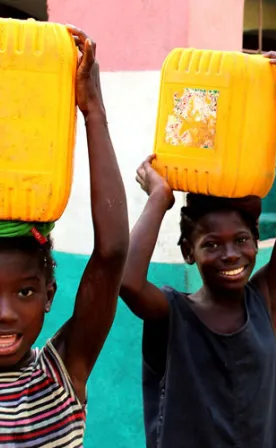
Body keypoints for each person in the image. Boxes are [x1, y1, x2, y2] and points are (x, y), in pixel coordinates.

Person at [119, 52, 276, 447]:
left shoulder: (267, 298)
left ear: (255, 242)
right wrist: (159, 198)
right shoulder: (172, 314)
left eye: (241, 240)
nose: (231, 254)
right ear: (189, 253)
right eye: (211, 244)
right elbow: (127, 283)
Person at [0, 27, 129, 445]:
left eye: (24, 292)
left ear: (50, 295)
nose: (5, 312)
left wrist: (92, 109)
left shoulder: (61, 375)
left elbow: (111, 254)